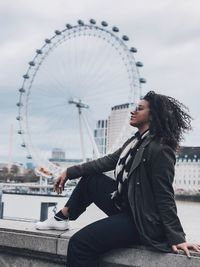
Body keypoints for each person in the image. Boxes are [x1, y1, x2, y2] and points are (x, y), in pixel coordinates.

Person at [36, 91, 200, 266]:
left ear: (153, 115)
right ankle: (61, 218)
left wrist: (177, 237)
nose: (132, 111)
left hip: (142, 221)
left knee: (79, 244)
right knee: (91, 178)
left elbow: (164, 194)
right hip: (127, 206)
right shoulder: (134, 142)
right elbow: (105, 162)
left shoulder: (160, 149)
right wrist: (70, 171)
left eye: (139, 108)